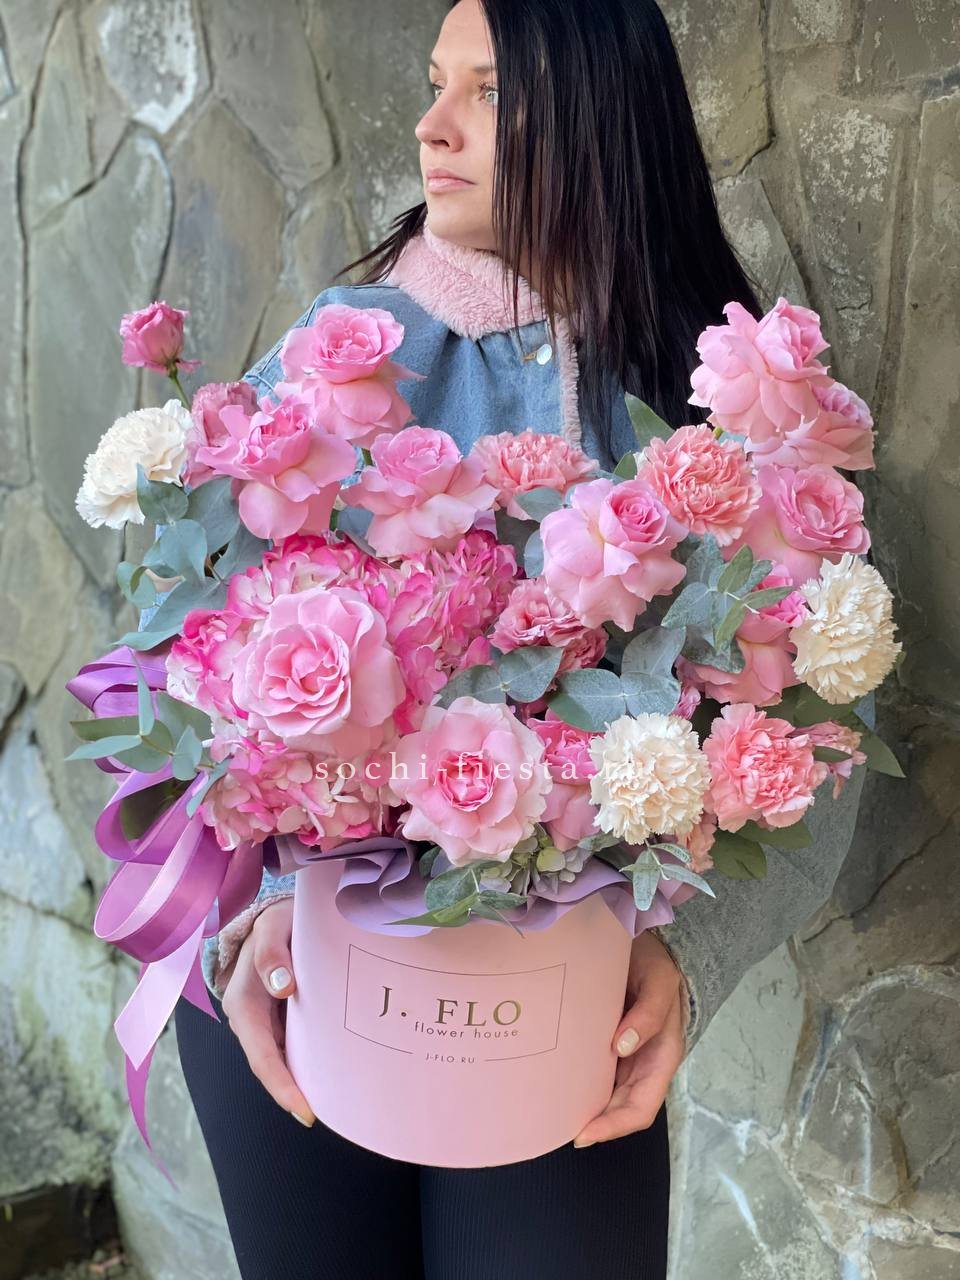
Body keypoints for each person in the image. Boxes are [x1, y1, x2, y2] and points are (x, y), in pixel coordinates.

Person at [170, 2, 868, 1277]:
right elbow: (206, 665)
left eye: (487, 92)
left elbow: (820, 734)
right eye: (437, 84)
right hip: (299, 975)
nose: (431, 126)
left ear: (599, 113)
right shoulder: (336, 357)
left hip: (556, 1016)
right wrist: (268, 903)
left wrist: (688, 957)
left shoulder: (717, 392)